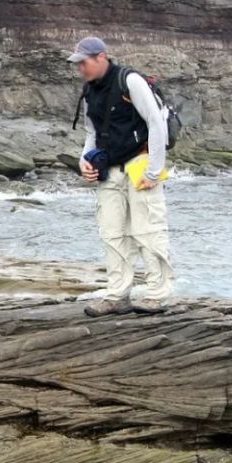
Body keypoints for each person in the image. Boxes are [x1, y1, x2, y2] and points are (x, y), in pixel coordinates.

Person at [68, 36, 175, 317]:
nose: (81, 69)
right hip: (109, 168)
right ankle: (117, 294)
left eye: (84, 63)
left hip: (140, 162)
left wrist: (154, 171)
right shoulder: (90, 90)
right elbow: (91, 133)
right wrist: (84, 162)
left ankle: (157, 294)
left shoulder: (130, 80)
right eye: (78, 64)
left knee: (148, 229)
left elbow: (155, 122)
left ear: (101, 57)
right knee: (112, 233)